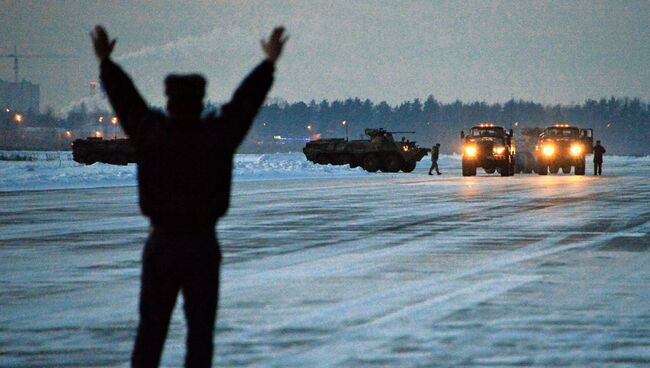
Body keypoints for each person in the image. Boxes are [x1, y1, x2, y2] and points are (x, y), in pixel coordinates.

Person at [90, 25, 287, 367]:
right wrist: (268, 63)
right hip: (202, 246)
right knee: (200, 335)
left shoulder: (151, 133)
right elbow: (245, 103)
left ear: (168, 101)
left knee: (151, 331)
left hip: (162, 244)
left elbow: (127, 100)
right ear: (200, 101)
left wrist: (106, 62)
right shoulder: (217, 135)